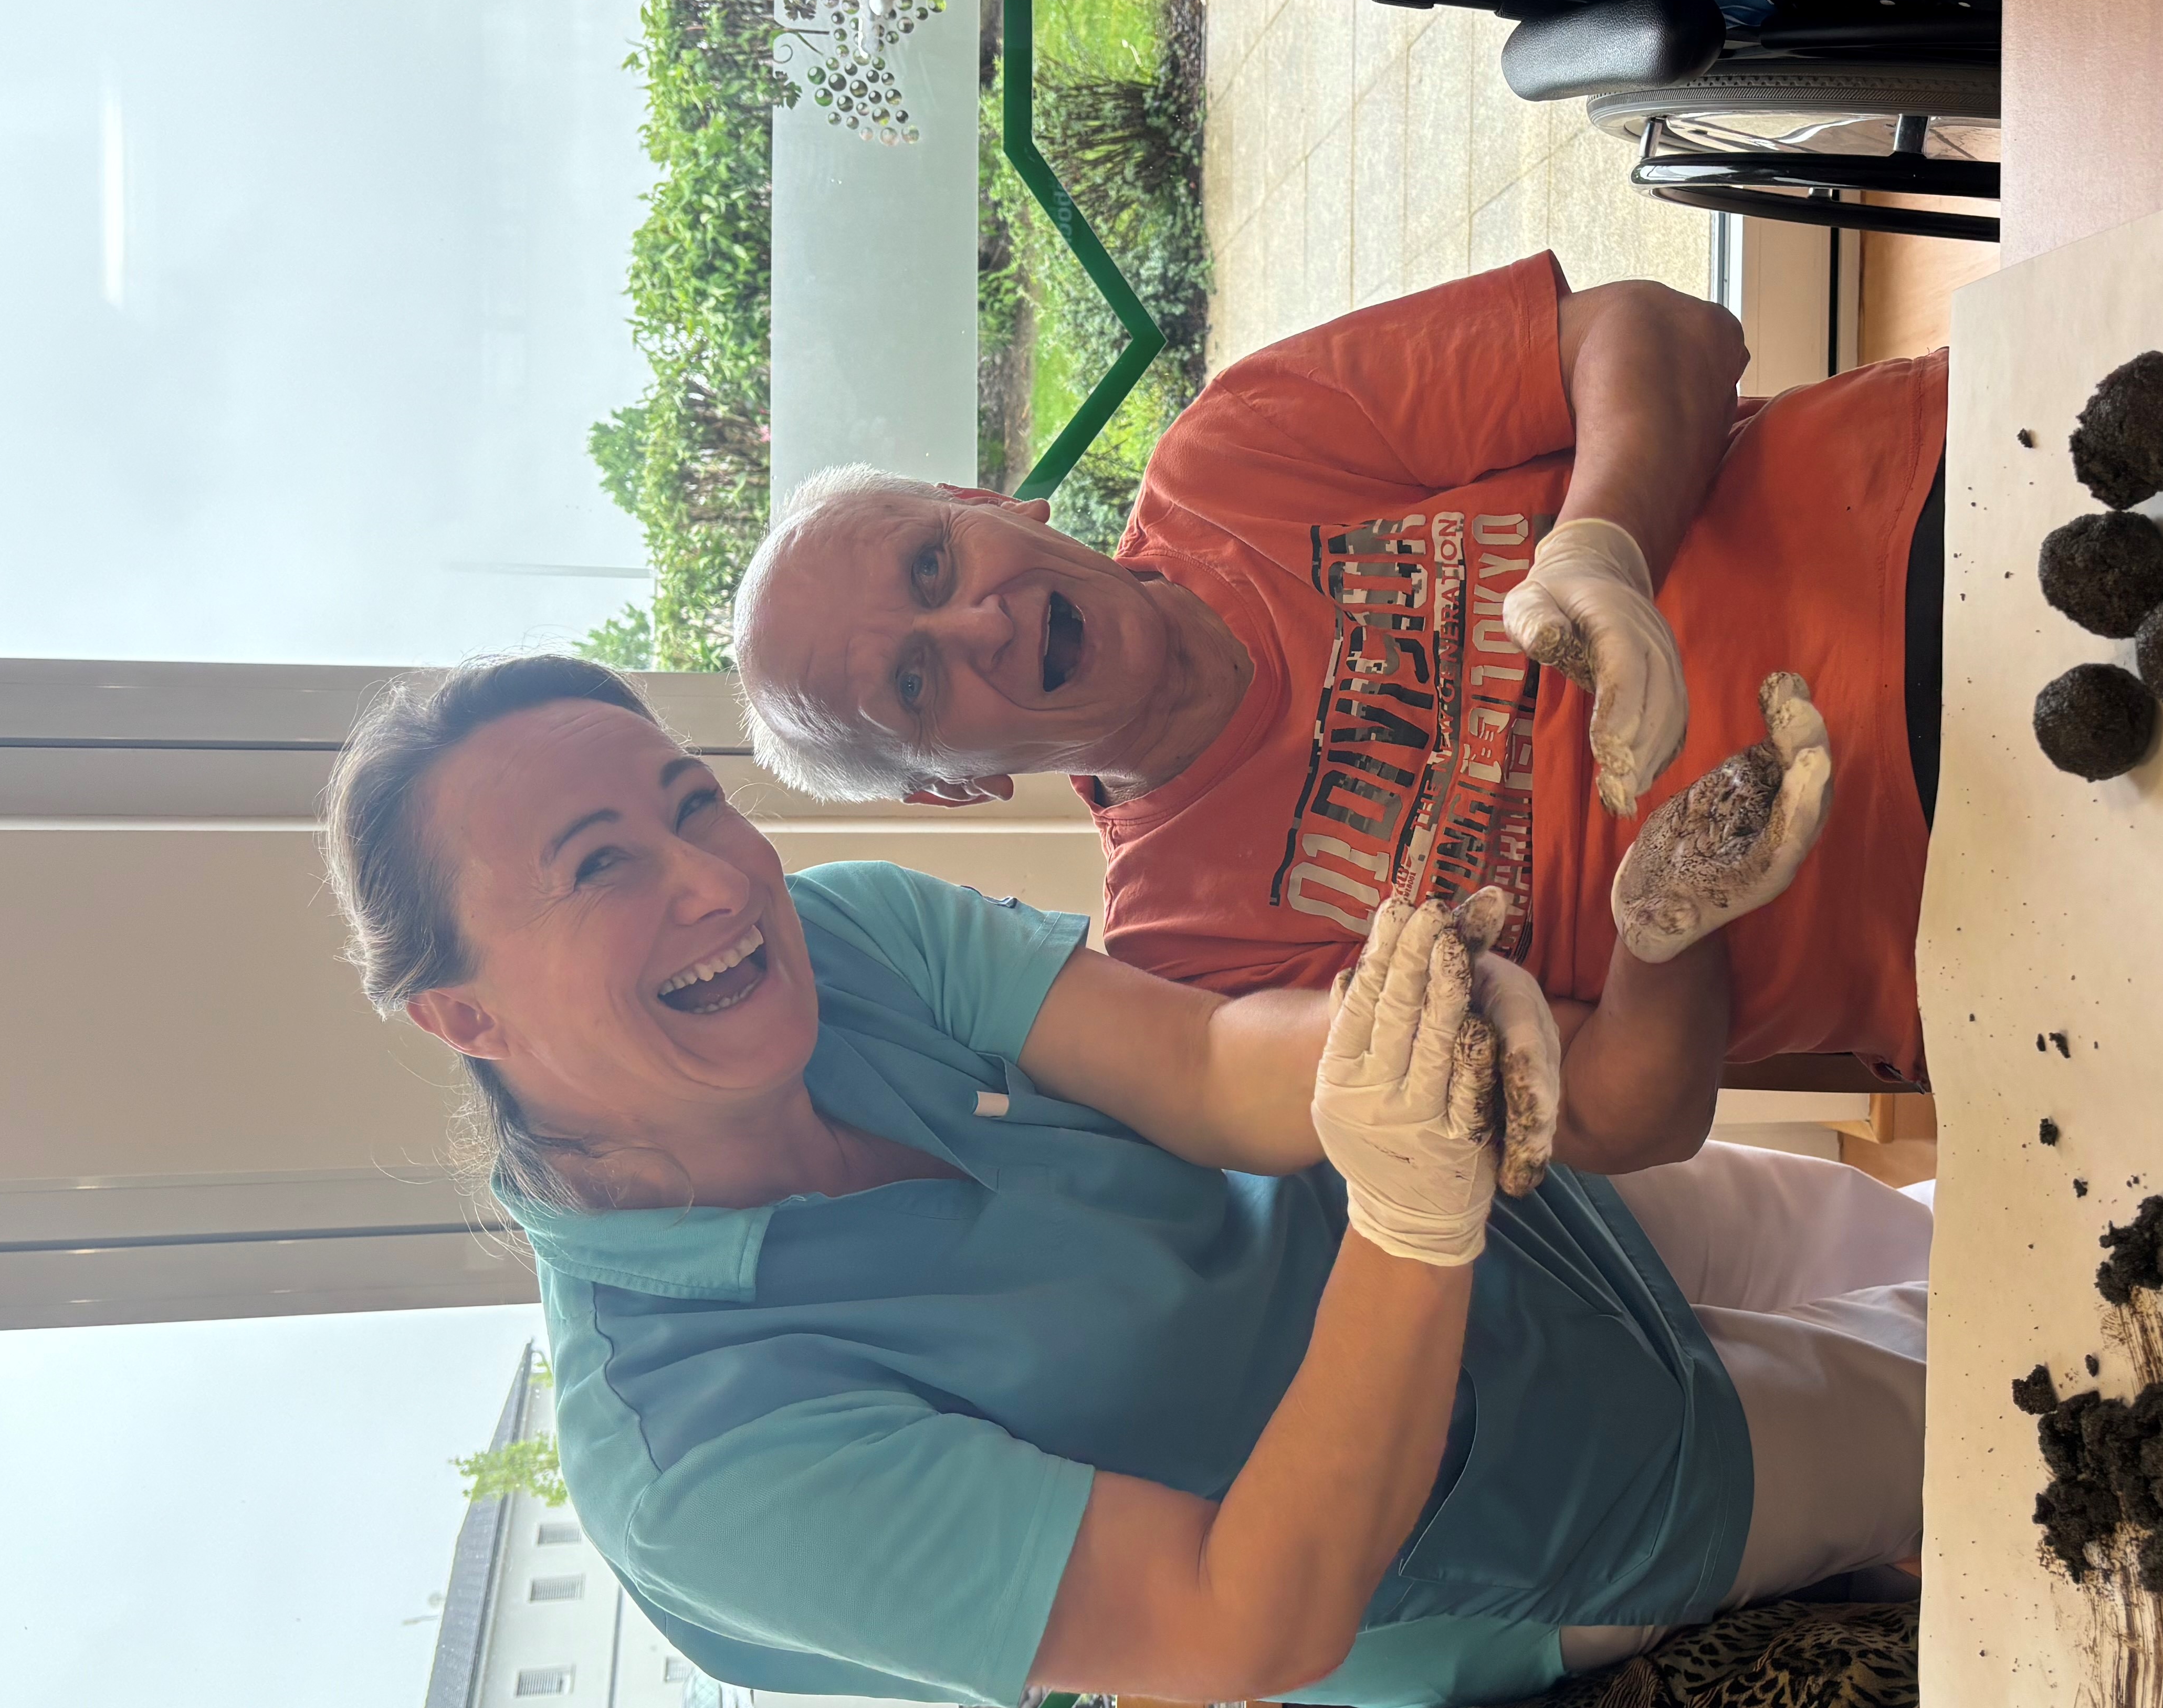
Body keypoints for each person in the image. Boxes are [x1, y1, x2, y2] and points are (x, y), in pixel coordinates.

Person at [322, 654, 1929, 1708]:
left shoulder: (846, 932)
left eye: (694, 802)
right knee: (1947, 1407)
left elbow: (1205, 1064)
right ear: (465, 1016)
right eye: (599, 864)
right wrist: (1411, 1210)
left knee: (1924, 1232)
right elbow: (1244, 1613)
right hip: (1513, 1499)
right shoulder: (696, 1461)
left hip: (1507, 1223)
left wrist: (1408, 1021)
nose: (711, 879)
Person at [737, 256, 1944, 1090]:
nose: (979, 626)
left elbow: (1665, 332)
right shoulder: (1192, 972)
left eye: (935, 562)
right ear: (954, 787)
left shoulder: (1232, 455)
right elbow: (1623, 1113)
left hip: (1927, 508)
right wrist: (1663, 932)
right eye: (914, 685)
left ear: (988, 502)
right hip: (1943, 906)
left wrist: (1603, 547)